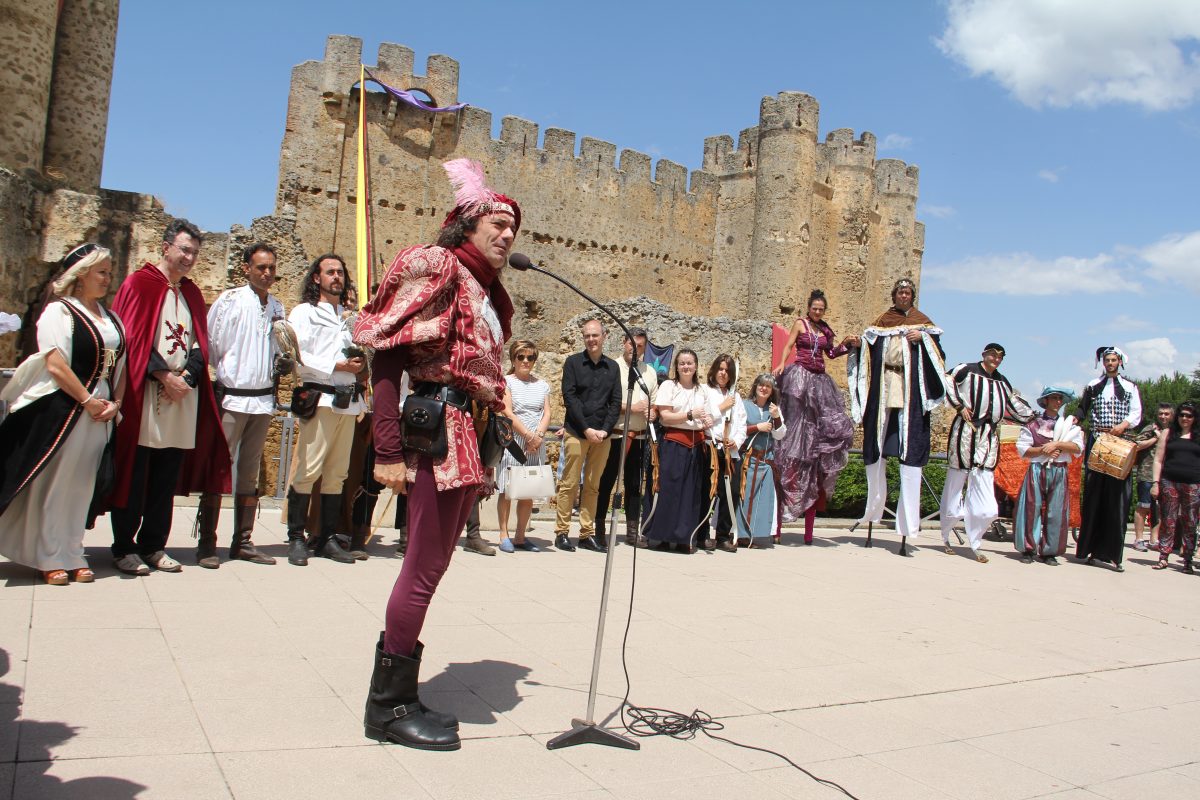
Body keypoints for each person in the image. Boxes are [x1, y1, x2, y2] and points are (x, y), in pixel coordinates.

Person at [353, 158, 518, 751]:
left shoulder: (486, 291)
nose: (506, 235)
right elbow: (390, 356)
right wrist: (388, 449)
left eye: (512, 229)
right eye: (496, 224)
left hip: (465, 434)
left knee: (434, 568)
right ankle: (386, 708)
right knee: (420, 569)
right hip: (433, 433)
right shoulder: (440, 266)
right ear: (467, 225)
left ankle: (401, 693)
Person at [108, 219, 230, 576]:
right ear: (166, 247)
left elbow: (198, 344)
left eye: (194, 252)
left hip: (181, 398)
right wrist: (163, 375)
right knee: (137, 471)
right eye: (184, 250)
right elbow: (130, 339)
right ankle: (123, 547)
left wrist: (188, 378)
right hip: (145, 394)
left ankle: (154, 545)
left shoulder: (191, 293)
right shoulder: (139, 284)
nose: (189, 257)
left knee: (166, 475)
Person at [0, 244, 125, 584]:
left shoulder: (110, 317)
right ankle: (48, 555)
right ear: (81, 274)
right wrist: (87, 400)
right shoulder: (60, 312)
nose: (107, 279)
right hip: (65, 409)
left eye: (109, 272)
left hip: (100, 412)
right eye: (102, 272)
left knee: (81, 485)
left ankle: (72, 551)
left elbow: (119, 368)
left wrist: (115, 403)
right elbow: (55, 363)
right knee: (56, 483)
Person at [195, 242, 283, 568]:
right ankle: (207, 542)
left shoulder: (277, 307)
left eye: (272, 267)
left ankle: (242, 541)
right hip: (233, 396)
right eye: (261, 267)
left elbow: (278, 349)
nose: (267, 273)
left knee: (249, 471)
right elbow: (213, 344)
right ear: (247, 268)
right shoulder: (229, 300)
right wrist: (230, 374)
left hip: (262, 400)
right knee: (220, 466)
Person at [847, 278, 948, 555]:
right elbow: (868, 348)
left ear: (912, 296)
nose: (904, 295)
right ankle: (871, 513)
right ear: (894, 295)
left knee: (910, 456)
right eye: (900, 292)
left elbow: (940, 358)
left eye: (908, 292)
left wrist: (923, 339)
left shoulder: (923, 323)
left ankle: (906, 527)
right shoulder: (882, 321)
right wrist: (857, 344)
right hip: (885, 388)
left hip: (909, 391)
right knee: (875, 449)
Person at [283, 253, 364, 566]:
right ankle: (295, 537)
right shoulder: (304, 312)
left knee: (337, 474)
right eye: (330, 272)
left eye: (341, 272)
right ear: (316, 278)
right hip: (321, 398)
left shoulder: (347, 316)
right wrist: (337, 365)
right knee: (308, 469)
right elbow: (296, 353)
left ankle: (327, 537)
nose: (337, 277)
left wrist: (357, 364)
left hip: (348, 401)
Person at [773, 289, 855, 545]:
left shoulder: (826, 330)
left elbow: (830, 354)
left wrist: (847, 345)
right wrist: (780, 364)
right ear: (809, 308)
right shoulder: (801, 323)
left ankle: (813, 449)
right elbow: (788, 347)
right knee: (796, 420)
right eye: (815, 308)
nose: (817, 311)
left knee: (827, 423)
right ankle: (793, 448)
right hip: (800, 377)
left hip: (820, 381)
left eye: (821, 308)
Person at [940, 343, 1034, 563]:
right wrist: (959, 405)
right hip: (965, 430)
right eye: (993, 354)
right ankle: (946, 535)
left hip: (988, 436)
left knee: (986, 496)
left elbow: (1014, 404)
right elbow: (946, 379)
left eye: (1000, 356)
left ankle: (975, 541)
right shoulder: (967, 369)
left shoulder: (1002, 382)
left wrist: (1036, 418)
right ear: (984, 354)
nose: (996, 358)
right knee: (956, 483)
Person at [553, 319, 621, 553]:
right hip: (577, 432)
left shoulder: (613, 367)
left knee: (593, 486)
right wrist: (586, 429)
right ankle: (562, 532)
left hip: (602, 436)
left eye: (595, 335)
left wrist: (604, 430)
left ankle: (586, 534)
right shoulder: (573, 363)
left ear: (604, 336)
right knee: (569, 484)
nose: (591, 339)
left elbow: (615, 402)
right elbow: (569, 397)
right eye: (587, 336)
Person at [1076, 347, 1141, 572]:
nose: (1110, 363)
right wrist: (1073, 420)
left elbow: (1136, 414)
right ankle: (1090, 549)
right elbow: (1082, 411)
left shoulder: (1130, 387)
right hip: (1098, 442)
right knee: (1095, 494)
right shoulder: (1093, 386)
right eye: (1107, 360)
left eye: (1114, 360)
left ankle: (1114, 553)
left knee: (1118, 499)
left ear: (1120, 362)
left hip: (1119, 443)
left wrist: (1123, 425)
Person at [644, 349, 716, 552]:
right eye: (682, 363)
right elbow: (665, 417)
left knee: (690, 494)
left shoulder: (702, 391)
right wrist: (690, 414)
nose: (686, 367)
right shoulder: (669, 386)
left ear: (696, 366)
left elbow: (705, 417)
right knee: (669, 490)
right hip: (673, 444)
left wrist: (707, 420)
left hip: (696, 446)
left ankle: (685, 538)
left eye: (689, 363)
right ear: (677, 366)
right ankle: (663, 538)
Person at [594, 327, 658, 548]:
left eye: (640, 345)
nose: (635, 348)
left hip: (639, 437)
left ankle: (632, 532)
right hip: (615, 435)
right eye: (632, 343)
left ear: (645, 348)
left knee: (633, 487)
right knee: (606, 482)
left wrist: (652, 411)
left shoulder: (649, 371)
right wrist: (633, 407)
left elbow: (654, 403)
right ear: (624, 342)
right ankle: (599, 529)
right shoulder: (612, 367)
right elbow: (604, 402)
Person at [1014, 387, 1083, 565]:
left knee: (1056, 512)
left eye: (1060, 399)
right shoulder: (1033, 424)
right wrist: (1044, 450)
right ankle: (1028, 549)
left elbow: (1077, 447)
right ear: (1046, 400)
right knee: (1031, 508)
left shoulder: (1070, 425)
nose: (1058, 402)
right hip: (1037, 468)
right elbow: (1024, 449)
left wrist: (1058, 445)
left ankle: (1049, 551)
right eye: (1054, 398)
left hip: (1059, 469)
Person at [496, 339, 551, 552]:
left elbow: (547, 412)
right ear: (513, 358)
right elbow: (507, 411)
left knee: (528, 489)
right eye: (521, 356)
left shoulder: (542, 384)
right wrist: (528, 435)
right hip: (515, 441)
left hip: (536, 442)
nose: (526, 361)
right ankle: (503, 534)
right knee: (507, 488)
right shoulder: (506, 382)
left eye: (530, 357)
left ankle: (521, 535)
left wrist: (538, 436)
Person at [736, 373, 788, 547]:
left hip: (765, 462)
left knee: (760, 500)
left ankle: (752, 535)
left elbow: (780, 435)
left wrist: (776, 417)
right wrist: (756, 427)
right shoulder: (744, 405)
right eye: (761, 385)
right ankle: (738, 534)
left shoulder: (774, 409)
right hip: (746, 460)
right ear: (756, 386)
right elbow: (738, 429)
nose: (764, 388)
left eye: (768, 386)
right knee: (742, 498)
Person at [701, 354, 745, 552]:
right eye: (720, 368)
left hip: (730, 452)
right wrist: (722, 407)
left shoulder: (736, 397)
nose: (723, 373)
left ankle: (722, 536)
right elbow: (704, 419)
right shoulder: (705, 391)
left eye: (727, 370)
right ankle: (701, 534)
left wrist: (736, 440)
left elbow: (742, 424)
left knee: (731, 493)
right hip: (711, 448)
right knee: (706, 493)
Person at [1150, 401, 1200, 574]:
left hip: (1193, 483)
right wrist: (1155, 483)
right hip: (1169, 481)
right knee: (1168, 520)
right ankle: (1163, 556)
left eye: (1189, 415)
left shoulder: (1198, 436)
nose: (1185, 418)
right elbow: (1158, 459)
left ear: (1194, 418)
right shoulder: (1168, 433)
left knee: (1190, 522)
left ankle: (1187, 560)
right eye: (1182, 415)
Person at [1132, 403, 1173, 552]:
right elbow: (1136, 445)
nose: (1163, 416)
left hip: (1166, 475)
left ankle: (1154, 539)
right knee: (1143, 506)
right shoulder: (1151, 429)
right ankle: (1138, 539)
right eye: (1161, 413)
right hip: (1147, 473)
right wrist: (1156, 439)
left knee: (1160, 509)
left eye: (1167, 414)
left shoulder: (1173, 431)